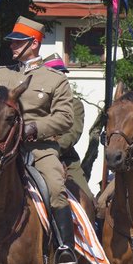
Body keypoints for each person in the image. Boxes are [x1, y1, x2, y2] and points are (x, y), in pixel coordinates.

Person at [0, 16, 78, 264]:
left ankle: (63, 248)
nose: (13, 46)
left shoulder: (54, 79)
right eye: (12, 42)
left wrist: (35, 128)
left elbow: (66, 118)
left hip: (37, 148)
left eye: (19, 42)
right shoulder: (0, 73)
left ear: (34, 44)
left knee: (56, 188)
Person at [42, 52, 94, 200]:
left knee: (89, 201)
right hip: (31, 157)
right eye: (55, 74)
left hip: (65, 158)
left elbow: (72, 134)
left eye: (62, 73)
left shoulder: (74, 104)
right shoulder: (32, 102)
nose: (60, 77)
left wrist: (50, 149)